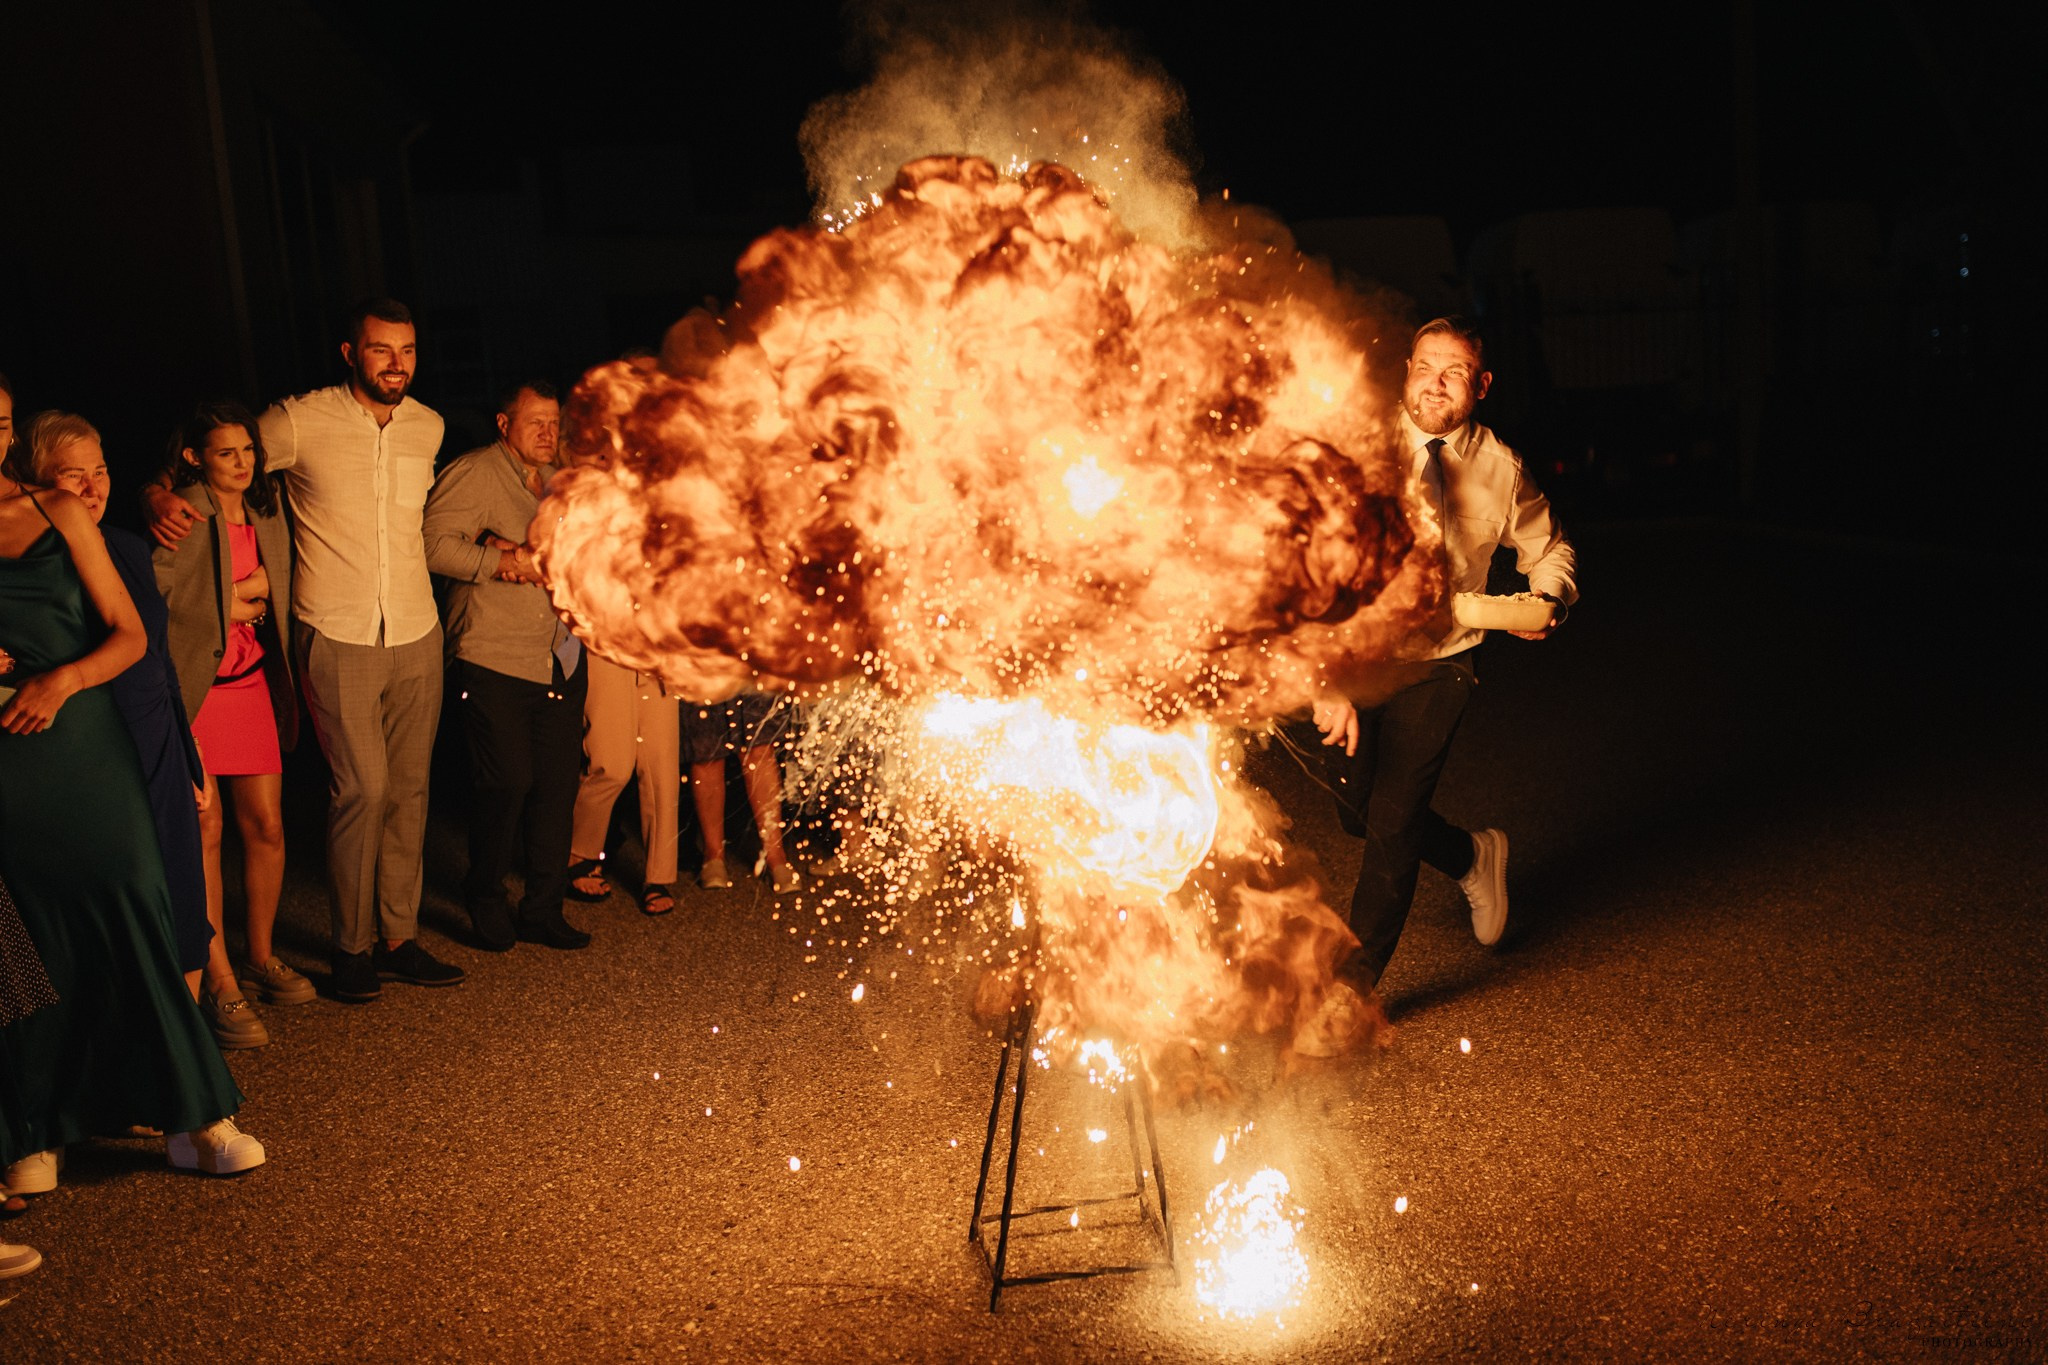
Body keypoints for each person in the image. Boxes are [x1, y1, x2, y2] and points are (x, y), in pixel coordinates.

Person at [147, 299, 463, 1003]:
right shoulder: (297, 421)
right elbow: (218, 456)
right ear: (352, 353)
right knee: (364, 788)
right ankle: (350, 949)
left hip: (416, 628)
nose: (396, 364)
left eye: (407, 350)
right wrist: (154, 493)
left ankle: (399, 938)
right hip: (336, 629)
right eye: (381, 350)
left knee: (409, 791)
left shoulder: (428, 426)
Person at [1301, 317, 1577, 1052]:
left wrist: (1549, 600)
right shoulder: (1356, 447)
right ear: (1406, 370)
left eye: (1455, 372)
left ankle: (1348, 994)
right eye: (1427, 367)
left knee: (1392, 820)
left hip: (1445, 659)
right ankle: (1469, 855)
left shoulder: (1501, 468)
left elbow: (1548, 548)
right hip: (1359, 656)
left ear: (1480, 386)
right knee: (1358, 811)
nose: (1437, 382)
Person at [1, 461, 264, 1191]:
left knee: (133, 904)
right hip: (2, 749)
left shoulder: (60, 511)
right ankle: (38, 1127)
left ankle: (194, 1114)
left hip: (79, 732)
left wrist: (61, 678)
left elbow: (128, 635)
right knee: (24, 936)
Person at [28, 414, 219, 1023]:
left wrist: (190, 757)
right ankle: (130, 1072)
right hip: (98, 753)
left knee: (185, 905)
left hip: (159, 741)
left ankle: (188, 1070)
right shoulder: (36, 565)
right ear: (35, 481)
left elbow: (159, 660)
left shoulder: (129, 549)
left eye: (101, 470)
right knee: (122, 913)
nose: (92, 487)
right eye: (72, 475)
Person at [156, 403, 311, 1034]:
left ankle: (260, 956)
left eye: (248, 450)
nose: (243, 463)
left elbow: (278, 585)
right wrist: (241, 599)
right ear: (195, 456)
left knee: (268, 826)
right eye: (226, 452)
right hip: (200, 690)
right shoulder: (178, 513)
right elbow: (159, 597)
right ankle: (218, 981)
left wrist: (257, 598)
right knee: (206, 833)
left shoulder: (265, 509)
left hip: (250, 686)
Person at [422, 381, 591, 950]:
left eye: (554, 423)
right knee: (507, 780)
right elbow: (432, 544)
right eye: (535, 423)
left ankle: (543, 908)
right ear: (503, 423)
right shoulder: (474, 473)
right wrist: (502, 559)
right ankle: (484, 893)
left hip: (561, 657)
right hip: (494, 654)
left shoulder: (562, 480)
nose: (549, 434)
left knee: (556, 787)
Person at [683, 692, 801, 893]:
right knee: (706, 749)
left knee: (760, 747)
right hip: (702, 664)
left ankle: (775, 855)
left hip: (752, 666)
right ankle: (713, 855)